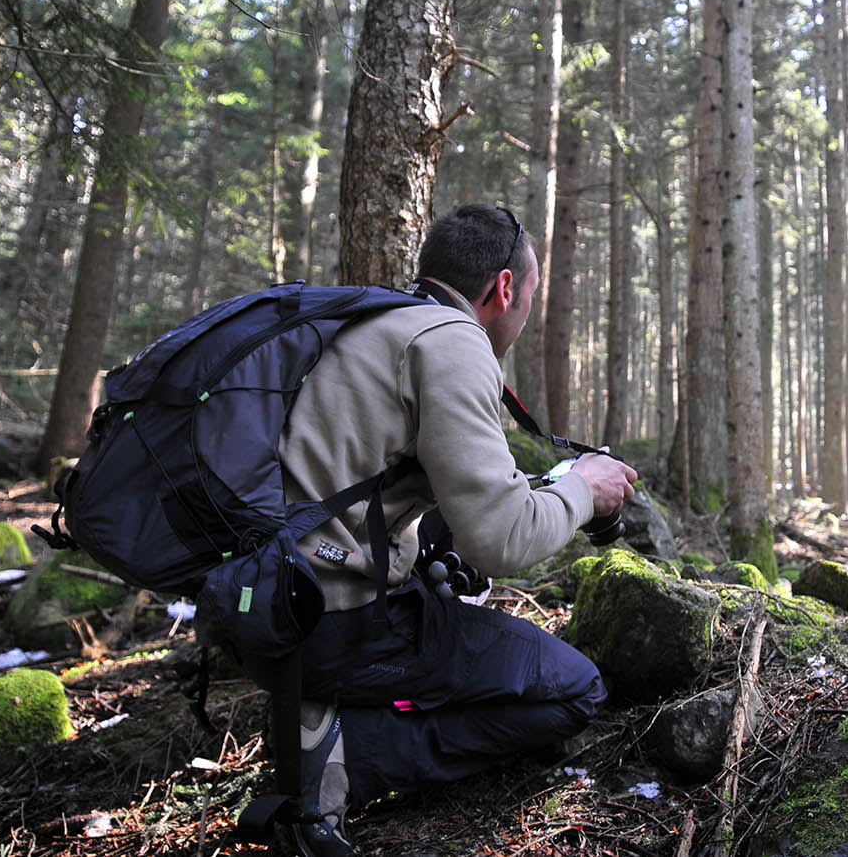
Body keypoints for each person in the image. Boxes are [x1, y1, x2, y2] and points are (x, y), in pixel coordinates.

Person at [272, 203, 638, 856]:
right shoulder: (453, 342)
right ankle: (341, 758)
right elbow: (505, 539)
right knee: (574, 688)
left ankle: (324, 710)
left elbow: (437, 493)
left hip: (266, 599)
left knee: (445, 549)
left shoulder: (378, 320)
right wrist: (586, 486)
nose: (525, 316)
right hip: (333, 622)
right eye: (529, 297)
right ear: (503, 289)